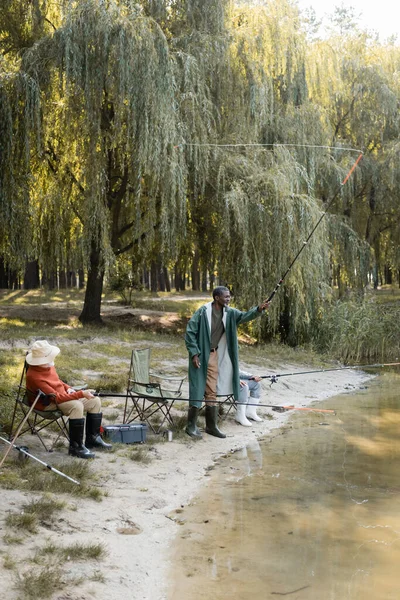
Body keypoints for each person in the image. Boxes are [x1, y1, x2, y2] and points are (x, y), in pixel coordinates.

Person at [185, 286, 269, 439]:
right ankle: (190, 426)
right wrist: (194, 353)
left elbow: (245, 316)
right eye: (226, 296)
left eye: (229, 296)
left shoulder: (229, 313)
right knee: (197, 389)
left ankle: (211, 426)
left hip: (215, 354)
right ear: (217, 298)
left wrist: (258, 309)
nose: (229, 299)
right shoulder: (203, 312)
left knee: (211, 391)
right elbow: (190, 332)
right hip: (200, 355)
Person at [25, 340, 112, 459]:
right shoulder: (34, 376)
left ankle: (93, 439)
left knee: (95, 401)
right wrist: (81, 394)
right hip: (47, 403)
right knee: (77, 405)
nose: (52, 359)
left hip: (60, 397)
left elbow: (57, 382)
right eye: (49, 358)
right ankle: (76, 447)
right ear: (41, 360)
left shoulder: (47, 366)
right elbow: (57, 397)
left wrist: (69, 388)